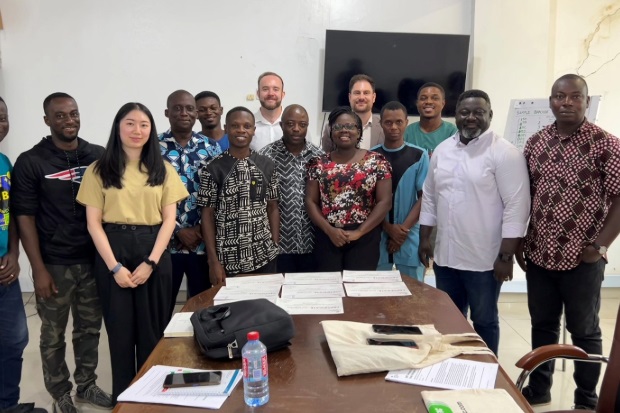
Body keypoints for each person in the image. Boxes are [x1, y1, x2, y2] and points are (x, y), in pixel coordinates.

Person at [517, 74, 620, 410]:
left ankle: (587, 398)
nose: (566, 103)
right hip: (539, 253)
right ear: (550, 101)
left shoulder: (606, 144)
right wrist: (520, 241)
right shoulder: (535, 143)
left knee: (584, 330)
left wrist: (600, 246)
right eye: (560, 96)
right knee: (542, 325)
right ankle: (540, 388)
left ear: (587, 102)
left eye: (575, 97)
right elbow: (524, 196)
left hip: (583, 258)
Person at [76, 102, 188, 403]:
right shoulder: (98, 170)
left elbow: (169, 220)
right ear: (118, 127)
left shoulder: (162, 169)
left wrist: (151, 262)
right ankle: (124, 400)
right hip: (113, 250)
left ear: (151, 130)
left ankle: (152, 399)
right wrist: (114, 267)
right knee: (120, 335)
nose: (137, 130)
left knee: (152, 334)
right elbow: (93, 224)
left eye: (143, 124)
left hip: (154, 250)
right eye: (130, 123)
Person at [11, 93, 112, 413]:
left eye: (73, 114)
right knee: (52, 334)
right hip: (53, 264)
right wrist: (37, 268)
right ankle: (60, 391)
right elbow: (23, 216)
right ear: (47, 120)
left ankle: (87, 385)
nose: (69, 120)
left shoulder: (97, 155)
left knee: (89, 329)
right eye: (60, 116)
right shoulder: (31, 161)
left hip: (93, 260)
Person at [418, 89, 530, 356]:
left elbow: (517, 206)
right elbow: (431, 196)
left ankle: (486, 374)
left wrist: (506, 255)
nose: (471, 118)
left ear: (489, 115)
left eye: (478, 112)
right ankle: (455, 367)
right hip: (446, 256)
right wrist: (424, 239)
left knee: (484, 320)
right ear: (455, 115)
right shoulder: (443, 151)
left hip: (485, 259)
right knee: (450, 319)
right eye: (464, 112)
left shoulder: (505, 153)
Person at [0, 97, 46, 413]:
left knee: (14, 341)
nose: (0, 124)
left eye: (3, 117)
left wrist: (15, 254)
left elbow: (13, 212)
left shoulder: (4, 162)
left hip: (5, 271)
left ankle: (7, 404)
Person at [198, 107, 279, 285]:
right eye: (235, 126)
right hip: (227, 259)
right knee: (231, 311)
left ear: (253, 130)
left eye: (247, 126)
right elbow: (207, 215)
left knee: (264, 308)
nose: (241, 130)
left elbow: (272, 207)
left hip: (264, 255)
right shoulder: (213, 168)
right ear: (226, 128)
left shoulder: (267, 165)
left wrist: (274, 243)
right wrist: (213, 261)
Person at [307, 106, 392, 271]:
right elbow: (310, 201)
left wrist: (359, 232)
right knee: (330, 290)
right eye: (338, 127)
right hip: (327, 236)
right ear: (331, 131)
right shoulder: (317, 163)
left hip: (365, 237)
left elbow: (385, 202)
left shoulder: (377, 162)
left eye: (350, 126)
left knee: (359, 291)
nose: (344, 130)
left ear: (359, 131)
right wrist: (330, 231)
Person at [159, 90, 221, 309]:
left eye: (188, 108)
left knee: (200, 309)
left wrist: (199, 230)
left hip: (202, 244)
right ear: (167, 112)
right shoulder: (153, 149)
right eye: (177, 108)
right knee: (162, 310)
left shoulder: (211, 148)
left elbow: (217, 195)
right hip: (164, 246)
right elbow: (147, 196)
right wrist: (177, 230)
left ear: (196, 113)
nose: (183, 113)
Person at [259, 104, 324, 273]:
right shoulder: (266, 156)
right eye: (290, 124)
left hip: (312, 242)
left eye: (302, 125)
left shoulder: (319, 157)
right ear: (281, 125)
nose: (296, 129)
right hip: (278, 244)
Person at [372, 101, 429, 281]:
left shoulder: (419, 156)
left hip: (410, 235)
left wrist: (400, 232)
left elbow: (424, 198)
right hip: (379, 235)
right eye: (388, 122)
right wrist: (388, 228)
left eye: (399, 122)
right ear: (381, 123)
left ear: (406, 122)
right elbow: (367, 201)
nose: (394, 127)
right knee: (377, 295)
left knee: (413, 295)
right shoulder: (371, 156)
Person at [321, 74, 384, 151]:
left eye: (366, 93)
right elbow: (326, 159)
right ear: (350, 97)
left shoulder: (384, 126)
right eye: (357, 93)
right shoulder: (331, 127)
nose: (361, 97)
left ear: (373, 97)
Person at [404, 82, 457, 157]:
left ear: (443, 103)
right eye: (423, 98)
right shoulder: (407, 132)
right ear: (417, 103)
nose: (428, 102)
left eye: (435, 98)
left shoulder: (452, 133)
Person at [251, 72, 286, 151]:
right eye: (265, 89)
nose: (270, 93)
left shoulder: (296, 125)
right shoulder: (248, 125)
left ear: (283, 94)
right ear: (258, 94)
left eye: (275, 89)